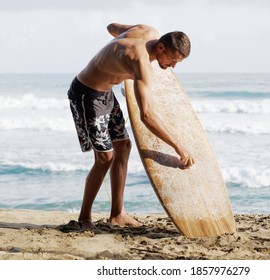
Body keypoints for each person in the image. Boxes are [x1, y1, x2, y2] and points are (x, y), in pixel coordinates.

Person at [67, 23, 195, 231]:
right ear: (160, 48)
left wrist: (117, 54)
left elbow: (111, 27)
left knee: (124, 147)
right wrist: (178, 147)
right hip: (87, 94)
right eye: (172, 61)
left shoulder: (148, 31)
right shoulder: (141, 62)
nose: (173, 67)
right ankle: (84, 218)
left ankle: (117, 214)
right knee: (104, 158)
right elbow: (146, 115)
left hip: (106, 93)